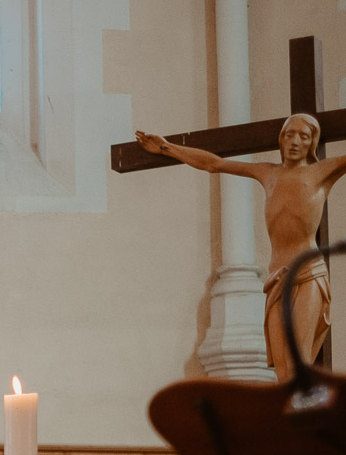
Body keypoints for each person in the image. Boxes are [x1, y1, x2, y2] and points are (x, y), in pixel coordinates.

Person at [137, 114, 346, 382]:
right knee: (282, 370)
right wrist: (166, 147)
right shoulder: (267, 173)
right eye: (289, 134)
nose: (294, 141)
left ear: (312, 143)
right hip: (275, 279)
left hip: (307, 274)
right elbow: (214, 164)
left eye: (303, 136)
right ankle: (283, 421)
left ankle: (304, 421)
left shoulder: (321, 172)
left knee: (297, 362)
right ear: (281, 140)